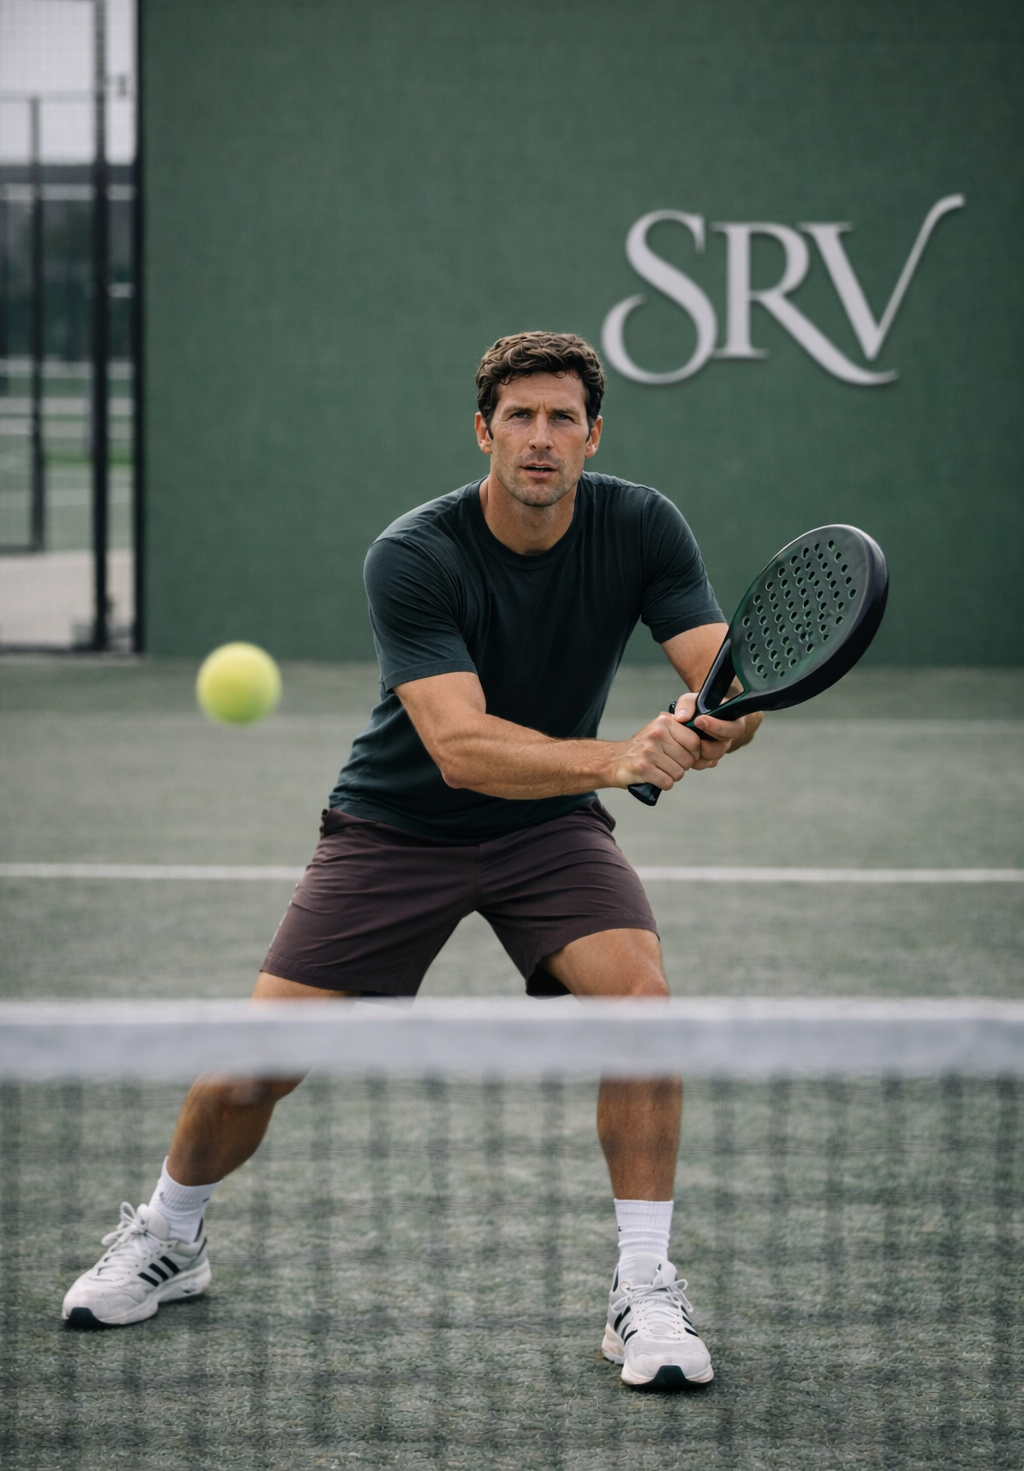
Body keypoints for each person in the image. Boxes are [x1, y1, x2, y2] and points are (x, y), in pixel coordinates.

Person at [63, 331, 761, 1389]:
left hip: (548, 830)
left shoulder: (641, 524)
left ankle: (644, 1290)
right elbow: (460, 747)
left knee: (641, 1009)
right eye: (518, 417)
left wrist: (713, 724)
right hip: (394, 827)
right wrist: (623, 755)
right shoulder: (416, 552)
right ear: (483, 430)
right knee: (252, 1068)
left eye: (560, 417)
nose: (539, 437)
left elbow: (724, 680)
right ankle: (172, 1234)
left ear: (592, 435)